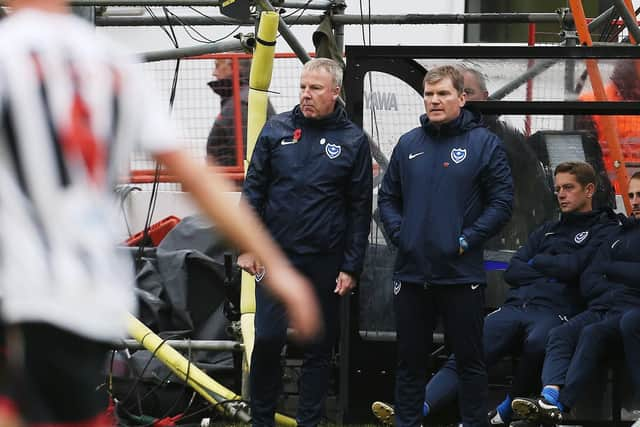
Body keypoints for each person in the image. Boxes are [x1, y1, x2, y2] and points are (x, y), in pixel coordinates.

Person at [0, 1, 321, 425]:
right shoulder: (108, 61)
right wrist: (278, 269)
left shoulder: (9, 54)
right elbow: (195, 176)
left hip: (23, 287)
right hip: (89, 296)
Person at [372, 161, 620, 426]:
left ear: (589, 189)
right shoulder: (547, 230)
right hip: (516, 307)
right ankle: (414, 412)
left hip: (557, 312)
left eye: (568, 188)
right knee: (469, 350)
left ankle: (506, 411)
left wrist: (538, 263)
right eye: (558, 188)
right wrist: (552, 268)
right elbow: (513, 271)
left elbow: (577, 268)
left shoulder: (604, 229)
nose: (560, 194)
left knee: (538, 342)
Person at [377, 65, 514, 427]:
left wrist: (467, 239)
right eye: (429, 94)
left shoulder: (484, 143)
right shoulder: (409, 144)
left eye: (443, 94)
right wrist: (400, 234)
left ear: (462, 98)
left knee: (469, 361)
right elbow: (387, 198)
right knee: (409, 361)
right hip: (411, 273)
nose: (435, 101)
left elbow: (502, 204)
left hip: (460, 274)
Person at [239, 57, 373, 427]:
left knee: (318, 346)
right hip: (274, 257)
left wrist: (351, 265)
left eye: (315, 88)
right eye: (302, 86)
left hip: (325, 260)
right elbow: (253, 191)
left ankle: (309, 422)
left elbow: (360, 208)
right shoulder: (275, 130)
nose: (305, 94)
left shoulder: (353, 140)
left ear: (335, 92)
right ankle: (261, 419)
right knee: (266, 339)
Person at [511, 173, 640, 423]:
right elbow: (589, 276)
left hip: (631, 309)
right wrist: (614, 276)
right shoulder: (618, 233)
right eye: (632, 195)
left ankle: (557, 406)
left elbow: (615, 271)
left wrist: (612, 269)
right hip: (605, 306)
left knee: (613, 327)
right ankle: (551, 399)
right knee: (562, 333)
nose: (635, 201)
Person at [460, 66, 554, 249]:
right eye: (456, 92)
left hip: (500, 241)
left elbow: (536, 194)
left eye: (468, 92)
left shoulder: (507, 140)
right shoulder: (434, 138)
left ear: (485, 96)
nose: (462, 99)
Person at [205, 57, 274, 166]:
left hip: (235, 180)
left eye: (218, 66)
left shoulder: (242, 103)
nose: (214, 73)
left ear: (235, 67)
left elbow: (248, 155)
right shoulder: (241, 99)